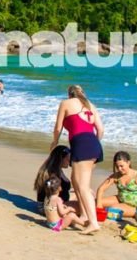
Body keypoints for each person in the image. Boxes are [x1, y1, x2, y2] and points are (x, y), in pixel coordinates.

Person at [50, 84, 104, 235]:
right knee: (75, 180)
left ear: (69, 94)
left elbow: (57, 128)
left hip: (82, 144)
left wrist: (54, 143)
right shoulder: (90, 105)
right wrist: (94, 145)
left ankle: (93, 222)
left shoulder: (65, 103)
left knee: (83, 186)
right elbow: (100, 129)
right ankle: (85, 215)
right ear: (82, 93)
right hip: (94, 143)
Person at [96, 151, 137, 218]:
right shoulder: (116, 176)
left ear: (128, 163)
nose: (119, 169)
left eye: (121, 166)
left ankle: (134, 213)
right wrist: (99, 206)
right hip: (120, 199)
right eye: (117, 166)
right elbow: (101, 189)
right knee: (94, 203)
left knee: (112, 210)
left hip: (135, 206)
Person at [34, 145, 74, 213]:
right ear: (61, 159)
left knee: (82, 193)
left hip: (45, 204)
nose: (69, 161)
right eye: (68, 158)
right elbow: (51, 191)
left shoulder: (51, 169)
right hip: (49, 207)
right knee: (82, 198)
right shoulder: (53, 174)